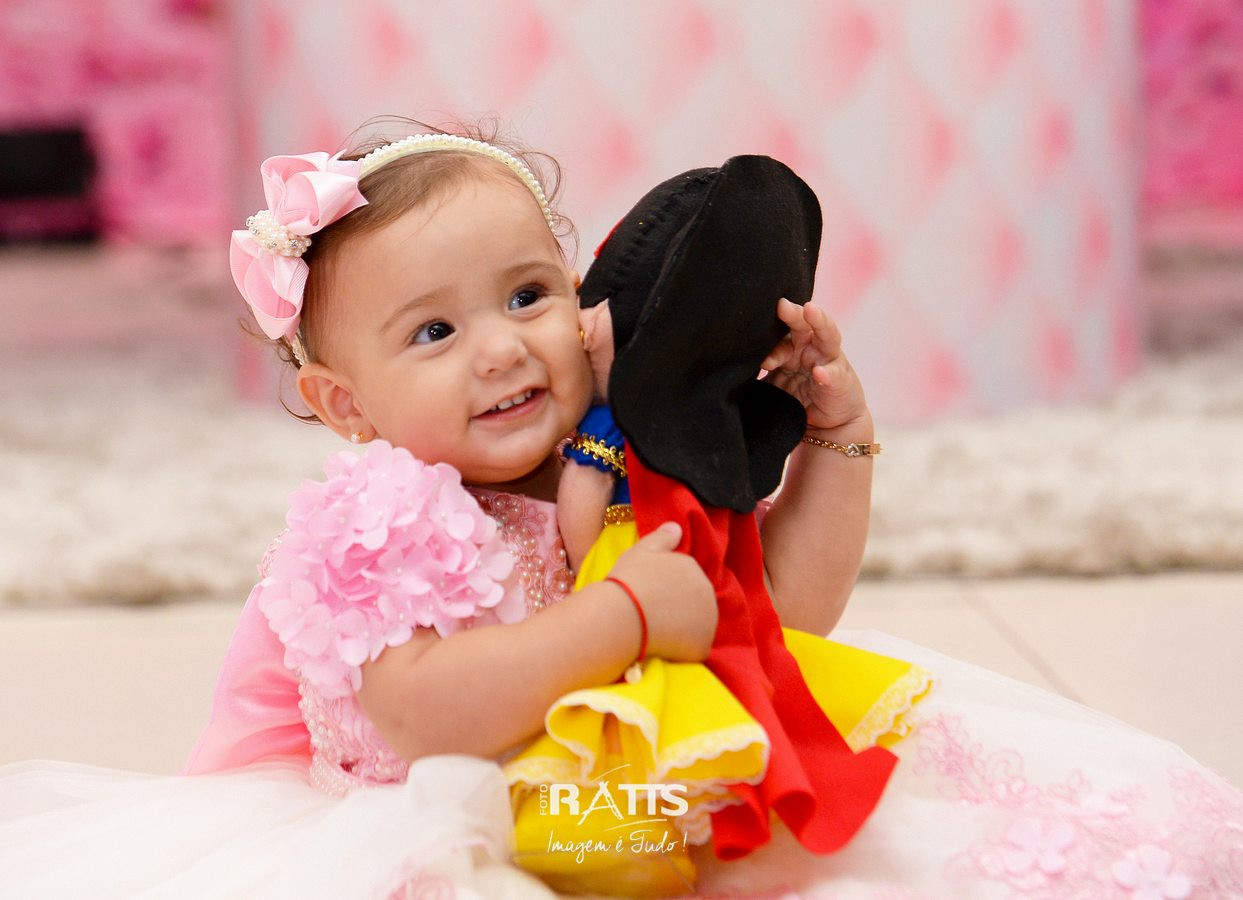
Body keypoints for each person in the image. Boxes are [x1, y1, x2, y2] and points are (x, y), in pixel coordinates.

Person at [0, 121, 1239, 900]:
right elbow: (421, 710)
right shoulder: (380, 515)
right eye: (433, 332)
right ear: (345, 403)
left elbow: (776, 616)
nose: (502, 349)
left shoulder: (619, 446)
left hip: (637, 793)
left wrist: (836, 438)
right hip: (444, 815)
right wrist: (620, 618)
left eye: (528, 296)